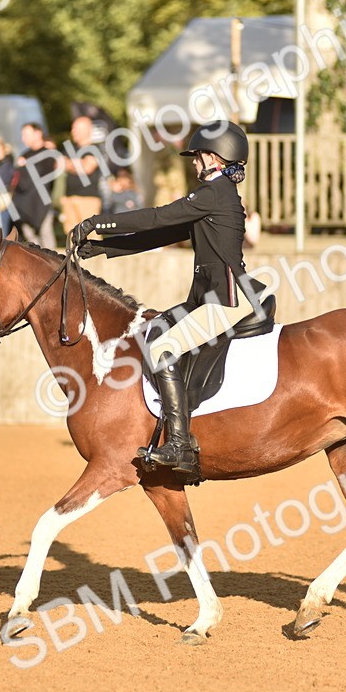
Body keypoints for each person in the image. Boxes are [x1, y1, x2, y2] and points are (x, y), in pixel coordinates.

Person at [74, 121, 269, 482]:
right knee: (154, 329)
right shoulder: (214, 196)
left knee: (163, 347)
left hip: (227, 301)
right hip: (206, 297)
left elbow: (156, 216)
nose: (194, 164)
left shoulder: (213, 193)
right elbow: (162, 232)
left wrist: (98, 222)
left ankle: (180, 445)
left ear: (213, 158)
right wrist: (102, 248)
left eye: (197, 157)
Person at [13, 123, 58, 249]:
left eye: (26, 134)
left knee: (46, 237)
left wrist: (26, 166)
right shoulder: (25, 155)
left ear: (38, 134)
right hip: (25, 204)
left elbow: (45, 174)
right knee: (31, 242)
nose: (23, 138)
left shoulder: (48, 154)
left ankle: (56, 268)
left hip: (42, 203)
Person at [61, 115, 102, 236]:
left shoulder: (95, 149)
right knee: (71, 234)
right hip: (69, 196)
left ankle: (95, 255)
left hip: (88, 198)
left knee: (90, 233)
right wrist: (79, 164)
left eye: (76, 129)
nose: (72, 132)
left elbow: (88, 168)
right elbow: (60, 163)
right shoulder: (70, 148)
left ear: (87, 129)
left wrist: (70, 164)